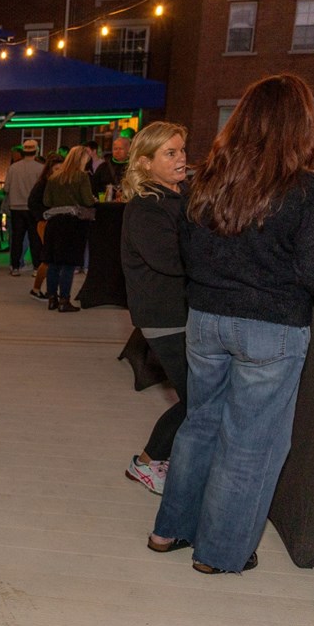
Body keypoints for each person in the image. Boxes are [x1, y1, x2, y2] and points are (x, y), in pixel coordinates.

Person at [149, 74, 314, 574]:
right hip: (270, 327)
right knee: (253, 441)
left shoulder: (203, 180)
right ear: (301, 125)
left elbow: (190, 253)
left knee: (200, 425)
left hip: (205, 320)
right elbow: (313, 273)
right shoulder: (307, 190)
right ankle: (222, 552)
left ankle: (170, 530)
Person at [119, 122, 190, 495]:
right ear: (146, 163)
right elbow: (171, 260)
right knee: (199, 399)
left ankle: (152, 461)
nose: (181, 159)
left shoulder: (180, 196)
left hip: (184, 314)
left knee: (200, 398)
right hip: (165, 318)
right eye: (170, 153)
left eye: (181, 151)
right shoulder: (147, 207)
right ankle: (148, 462)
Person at [42, 145, 95, 312]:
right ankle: (64, 300)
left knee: (54, 263)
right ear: (81, 159)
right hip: (73, 224)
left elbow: (46, 201)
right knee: (68, 264)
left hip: (54, 223)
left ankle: (52, 298)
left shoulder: (54, 177)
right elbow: (87, 200)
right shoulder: (81, 177)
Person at [2, 139, 44, 276]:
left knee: (17, 239)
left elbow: (6, 188)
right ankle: (37, 267)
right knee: (35, 239)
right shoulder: (40, 168)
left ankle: (15, 267)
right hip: (33, 208)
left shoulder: (13, 168)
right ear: (36, 151)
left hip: (16, 207)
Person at [26, 152, 64, 300]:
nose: (59, 172)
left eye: (61, 169)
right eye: (56, 169)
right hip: (45, 223)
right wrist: (44, 215)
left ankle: (48, 290)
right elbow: (32, 203)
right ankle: (38, 289)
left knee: (52, 258)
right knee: (49, 259)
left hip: (52, 222)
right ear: (49, 169)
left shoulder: (53, 183)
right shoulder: (43, 184)